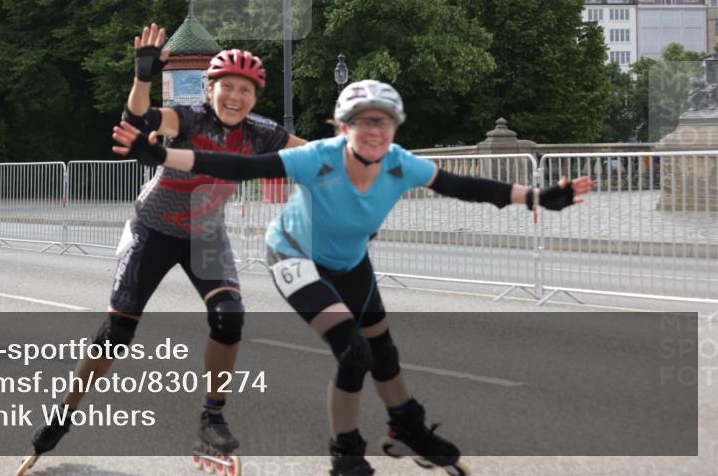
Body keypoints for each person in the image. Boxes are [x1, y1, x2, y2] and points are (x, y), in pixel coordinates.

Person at [112, 79, 594, 476]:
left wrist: (537, 197)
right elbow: (241, 165)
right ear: (343, 128)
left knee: (383, 350)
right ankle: (345, 454)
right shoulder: (318, 157)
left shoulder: (401, 164)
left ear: (393, 127)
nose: (373, 131)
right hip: (294, 255)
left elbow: (465, 186)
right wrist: (162, 157)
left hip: (348, 261)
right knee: (353, 350)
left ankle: (405, 425)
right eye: (361, 122)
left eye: (382, 122)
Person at [22, 24, 305, 468]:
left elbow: (318, 155)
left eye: (245, 90)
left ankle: (213, 415)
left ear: (255, 97)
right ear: (210, 89)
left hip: (205, 233)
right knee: (118, 333)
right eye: (226, 86)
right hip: (153, 229)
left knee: (229, 317)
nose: (234, 97)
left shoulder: (260, 133)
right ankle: (64, 413)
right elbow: (139, 119)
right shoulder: (189, 116)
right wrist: (142, 78)